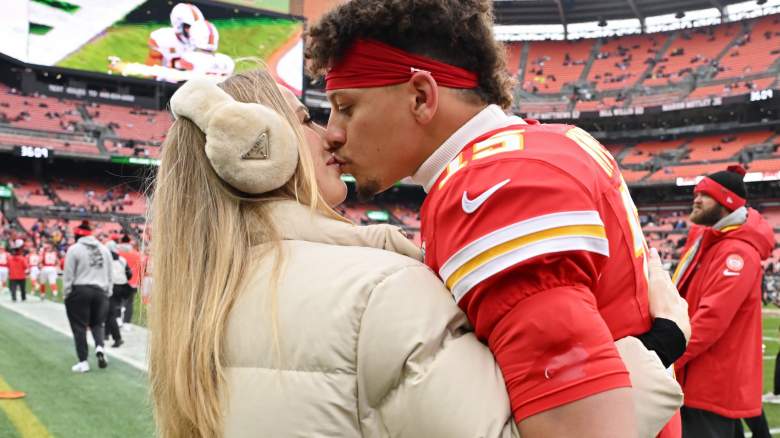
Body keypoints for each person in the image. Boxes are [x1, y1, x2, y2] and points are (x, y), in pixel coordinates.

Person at [150, 69, 683, 438]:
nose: (331, 136)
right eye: (308, 120)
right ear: (257, 149)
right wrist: (658, 346)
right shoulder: (377, 294)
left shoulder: (205, 300)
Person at [307, 1, 688, 436]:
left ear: (421, 96)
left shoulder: (492, 188)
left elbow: (578, 429)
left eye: (347, 106)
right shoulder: (543, 145)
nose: (332, 132)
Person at [671, 165, 775, 437]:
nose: (696, 199)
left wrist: (668, 357)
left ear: (726, 203)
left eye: (705, 195)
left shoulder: (736, 252)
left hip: (710, 384)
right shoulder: (711, 240)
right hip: (697, 380)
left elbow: (711, 320)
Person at [63, 221, 113, 373]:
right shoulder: (104, 250)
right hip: (101, 291)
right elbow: (109, 274)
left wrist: (67, 293)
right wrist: (107, 292)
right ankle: (100, 347)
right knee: (98, 324)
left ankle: (83, 361)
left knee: (79, 327)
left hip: (80, 290)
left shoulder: (74, 249)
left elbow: (69, 273)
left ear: (78, 234)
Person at [146, 2, 203, 69]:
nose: (195, 30)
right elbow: (151, 72)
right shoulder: (161, 39)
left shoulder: (203, 40)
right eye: (189, 26)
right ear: (178, 24)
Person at [105, 241, 132, 348]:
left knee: (109, 313)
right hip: (122, 288)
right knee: (109, 311)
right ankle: (106, 334)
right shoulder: (122, 260)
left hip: (111, 287)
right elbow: (129, 274)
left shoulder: (106, 260)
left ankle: (117, 338)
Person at [117, 235, 141, 326]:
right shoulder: (136, 254)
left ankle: (118, 318)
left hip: (119, 281)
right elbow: (140, 268)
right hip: (133, 282)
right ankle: (127, 322)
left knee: (117, 300)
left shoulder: (118, 252)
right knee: (129, 303)